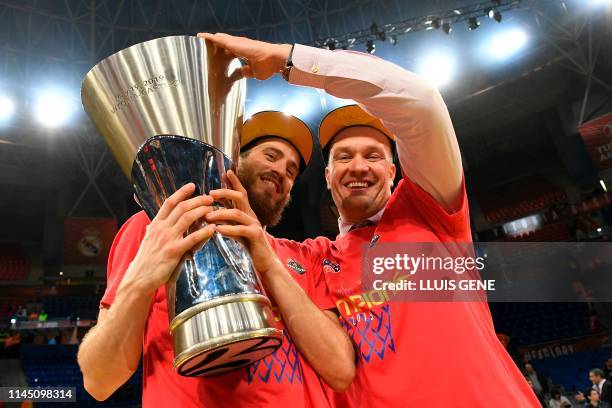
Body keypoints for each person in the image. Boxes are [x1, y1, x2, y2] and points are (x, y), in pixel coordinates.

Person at [201, 32, 541, 406]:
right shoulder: (316, 260)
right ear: (328, 177)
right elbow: (251, 238)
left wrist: (288, 58)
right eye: (344, 157)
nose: (358, 166)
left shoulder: (429, 210)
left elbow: (421, 102)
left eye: (373, 155)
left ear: (394, 171)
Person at [77, 111, 354, 407]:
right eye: (271, 156)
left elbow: (340, 371)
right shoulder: (162, 225)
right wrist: (139, 282)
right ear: (233, 161)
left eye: (291, 170)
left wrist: (268, 263)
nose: (281, 172)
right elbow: (99, 381)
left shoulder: (303, 255)